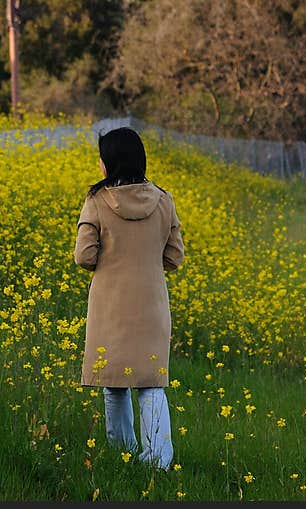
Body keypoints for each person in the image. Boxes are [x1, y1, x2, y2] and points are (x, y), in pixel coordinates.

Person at [74, 127, 184, 470]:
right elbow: (175, 257)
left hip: (109, 305)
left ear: (108, 163)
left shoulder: (96, 201)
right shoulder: (164, 201)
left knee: (114, 384)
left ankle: (122, 454)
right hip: (151, 304)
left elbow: (84, 256)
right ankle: (157, 462)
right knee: (151, 385)